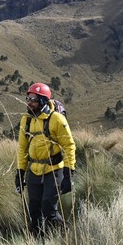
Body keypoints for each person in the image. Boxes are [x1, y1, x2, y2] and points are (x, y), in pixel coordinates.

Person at [15, 82, 76, 236]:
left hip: (54, 170)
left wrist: (69, 173)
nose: (29, 102)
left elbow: (69, 145)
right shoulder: (26, 120)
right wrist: (20, 172)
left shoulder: (56, 119)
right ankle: (39, 243)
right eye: (28, 98)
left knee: (49, 209)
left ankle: (66, 237)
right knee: (34, 212)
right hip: (34, 171)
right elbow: (22, 148)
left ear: (43, 100)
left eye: (34, 99)